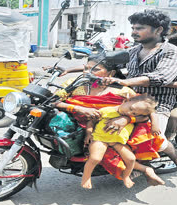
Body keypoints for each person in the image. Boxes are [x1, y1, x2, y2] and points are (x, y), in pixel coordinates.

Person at [55, 53, 165, 186]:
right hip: (81, 127)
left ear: (111, 73)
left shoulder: (124, 91)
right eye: (86, 68)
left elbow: (145, 111)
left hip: (112, 131)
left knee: (115, 155)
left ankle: (143, 170)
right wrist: (78, 109)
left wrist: (125, 119)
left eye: (95, 69)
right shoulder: (74, 83)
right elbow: (54, 101)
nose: (87, 72)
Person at [102, 10, 177, 174]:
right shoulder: (134, 50)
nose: (134, 32)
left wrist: (126, 81)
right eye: (133, 28)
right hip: (130, 99)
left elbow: (161, 77)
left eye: (140, 28)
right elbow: (109, 64)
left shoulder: (172, 52)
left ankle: (173, 153)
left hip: (157, 104)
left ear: (158, 30)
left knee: (153, 137)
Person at [81, 94, 158, 189]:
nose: (129, 113)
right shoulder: (107, 111)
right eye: (130, 108)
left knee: (131, 159)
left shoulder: (131, 119)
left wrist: (155, 125)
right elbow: (91, 121)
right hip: (100, 139)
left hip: (117, 142)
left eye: (134, 113)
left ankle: (126, 176)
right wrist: (88, 133)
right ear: (125, 101)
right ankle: (86, 178)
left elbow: (148, 116)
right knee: (95, 158)